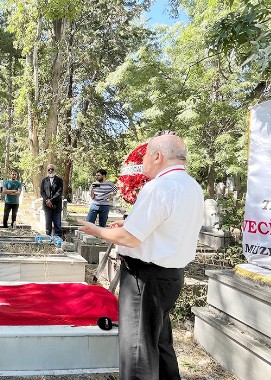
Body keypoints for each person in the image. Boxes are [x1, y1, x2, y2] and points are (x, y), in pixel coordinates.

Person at [79, 134, 204, 380]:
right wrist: (128, 223)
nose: (143, 161)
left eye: (145, 156)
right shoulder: (192, 186)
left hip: (144, 278)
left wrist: (97, 230)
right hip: (171, 276)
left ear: (157, 156)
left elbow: (130, 239)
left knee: (137, 349)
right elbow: (166, 225)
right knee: (159, 342)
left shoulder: (159, 186)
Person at [40, 163, 64, 237]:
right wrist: (47, 201)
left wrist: (52, 201)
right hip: (47, 206)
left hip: (56, 205)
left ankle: (58, 238)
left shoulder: (59, 180)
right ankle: (48, 237)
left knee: (57, 224)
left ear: (54, 170)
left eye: (52, 169)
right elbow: (42, 191)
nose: (50, 170)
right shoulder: (44, 180)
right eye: (49, 169)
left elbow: (59, 192)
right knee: (48, 223)